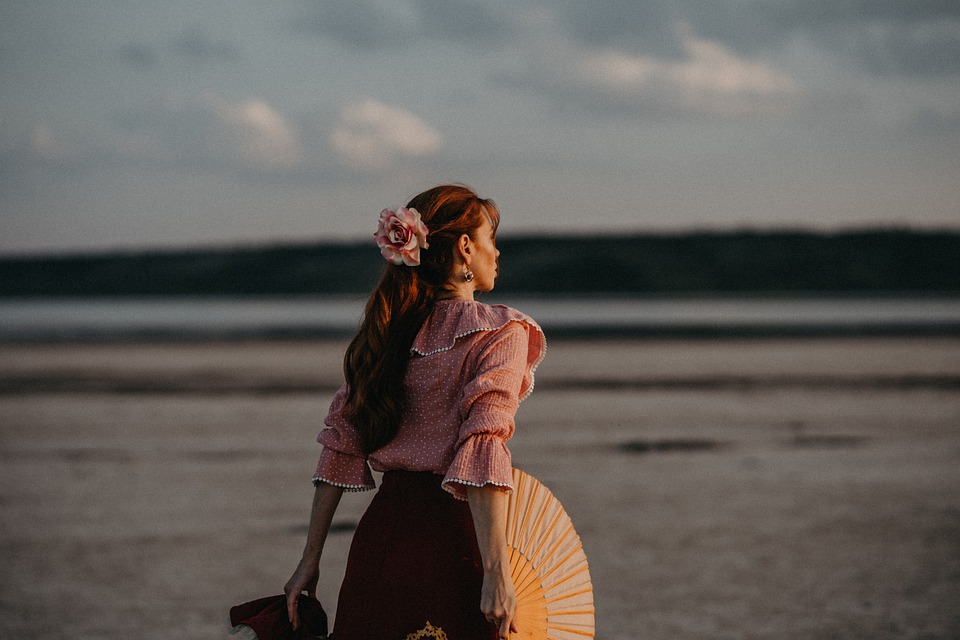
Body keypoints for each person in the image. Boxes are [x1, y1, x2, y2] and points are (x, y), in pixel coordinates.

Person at [283, 185, 546, 640]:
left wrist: (310, 559)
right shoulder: (502, 331)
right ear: (465, 247)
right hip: (456, 542)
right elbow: (482, 448)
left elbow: (340, 443)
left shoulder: (385, 331)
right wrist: (497, 572)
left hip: (381, 540)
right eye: (490, 238)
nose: (497, 252)